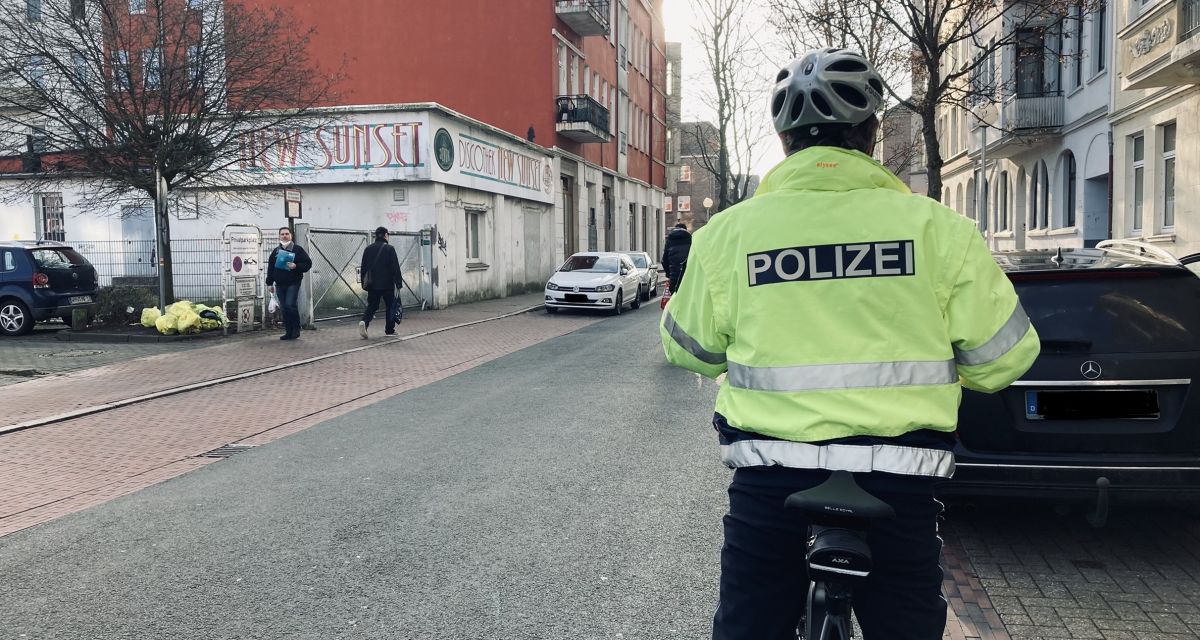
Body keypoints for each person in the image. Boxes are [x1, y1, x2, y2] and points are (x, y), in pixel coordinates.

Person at [659, 48, 1040, 640]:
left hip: (772, 481)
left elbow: (688, 350)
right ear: (871, 134)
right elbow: (1003, 360)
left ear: (784, 141)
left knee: (748, 627)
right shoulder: (939, 230)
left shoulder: (728, 234)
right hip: (902, 479)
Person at [265, 226, 312, 341]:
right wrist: (269, 283)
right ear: (279, 236)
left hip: (293, 282)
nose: (285, 236)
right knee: (284, 307)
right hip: (280, 283)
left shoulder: (297, 249)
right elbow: (270, 268)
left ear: (291, 236)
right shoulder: (276, 251)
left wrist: (296, 266)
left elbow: (308, 263)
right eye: (282, 234)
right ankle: (288, 331)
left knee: (290, 305)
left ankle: (296, 330)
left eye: (287, 234)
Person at [358, 226, 405, 339]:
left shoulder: (368, 249)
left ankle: (364, 322)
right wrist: (398, 283)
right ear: (385, 235)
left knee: (372, 305)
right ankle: (389, 330)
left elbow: (363, 267)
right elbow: (395, 267)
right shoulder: (389, 249)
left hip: (372, 284)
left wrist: (364, 283)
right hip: (387, 284)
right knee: (390, 306)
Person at [661, 222, 691, 293]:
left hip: (674, 277)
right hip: (688, 276)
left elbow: (664, 260)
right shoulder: (690, 239)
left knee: (674, 298)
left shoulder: (670, 240)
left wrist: (669, 274)